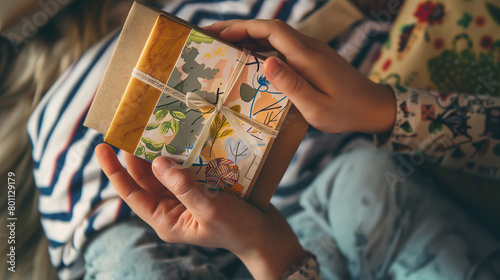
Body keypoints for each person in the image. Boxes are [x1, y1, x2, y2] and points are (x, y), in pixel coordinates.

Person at [96, 10, 500, 280]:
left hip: (261, 242)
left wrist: (265, 249)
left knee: (124, 260)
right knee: (365, 177)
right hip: (345, 192)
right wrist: (381, 108)